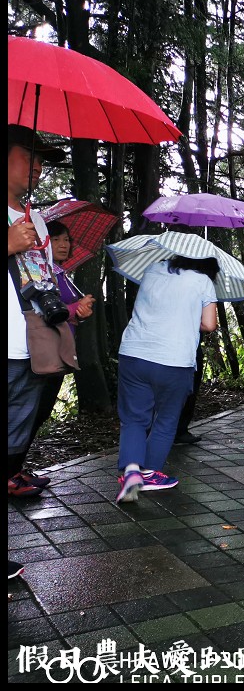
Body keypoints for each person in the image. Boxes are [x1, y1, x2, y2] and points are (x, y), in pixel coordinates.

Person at [7, 124, 66, 578]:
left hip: (28, 348)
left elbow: (41, 278)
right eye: (31, 155)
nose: (40, 166)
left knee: (12, 452)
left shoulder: (38, 219)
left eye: (43, 159)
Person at [115, 255, 218, 503]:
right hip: (174, 360)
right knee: (166, 419)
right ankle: (149, 473)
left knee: (133, 419)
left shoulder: (152, 268)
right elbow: (209, 324)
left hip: (134, 354)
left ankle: (131, 472)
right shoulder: (203, 281)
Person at [26, 220, 95, 451]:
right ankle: (14, 470)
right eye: (56, 239)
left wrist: (80, 312)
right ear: (43, 242)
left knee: (42, 410)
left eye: (66, 239)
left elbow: (67, 312)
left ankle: (17, 468)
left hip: (60, 348)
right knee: (34, 410)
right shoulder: (41, 272)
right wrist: (77, 308)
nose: (63, 244)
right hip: (45, 351)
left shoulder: (61, 272)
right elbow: (45, 311)